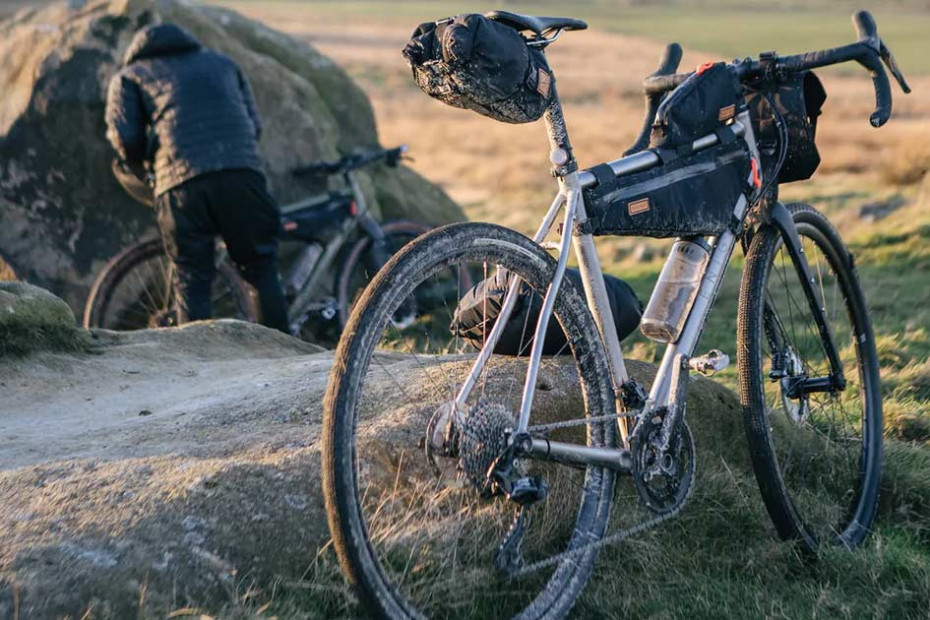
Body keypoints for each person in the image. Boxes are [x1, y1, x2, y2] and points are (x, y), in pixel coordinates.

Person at [104, 23, 290, 333]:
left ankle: (199, 368)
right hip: (241, 173)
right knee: (261, 267)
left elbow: (126, 138)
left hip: (179, 183)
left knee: (192, 277)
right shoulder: (224, 63)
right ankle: (283, 357)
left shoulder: (130, 76)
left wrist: (145, 164)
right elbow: (254, 125)